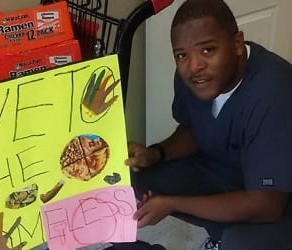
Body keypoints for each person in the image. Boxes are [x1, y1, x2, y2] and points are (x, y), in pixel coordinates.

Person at [125, 0, 292, 249]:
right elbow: (194, 129)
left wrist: (171, 203)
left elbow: (266, 206)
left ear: (237, 44)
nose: (194, 66)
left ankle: (227, 238)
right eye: (182, 55)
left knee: (238, 244)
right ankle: (221, 231)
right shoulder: (195, 77)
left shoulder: (274, 92)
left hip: (279, 199)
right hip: (224, 171)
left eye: (207, 50)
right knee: (135, 178)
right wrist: (155, 154)